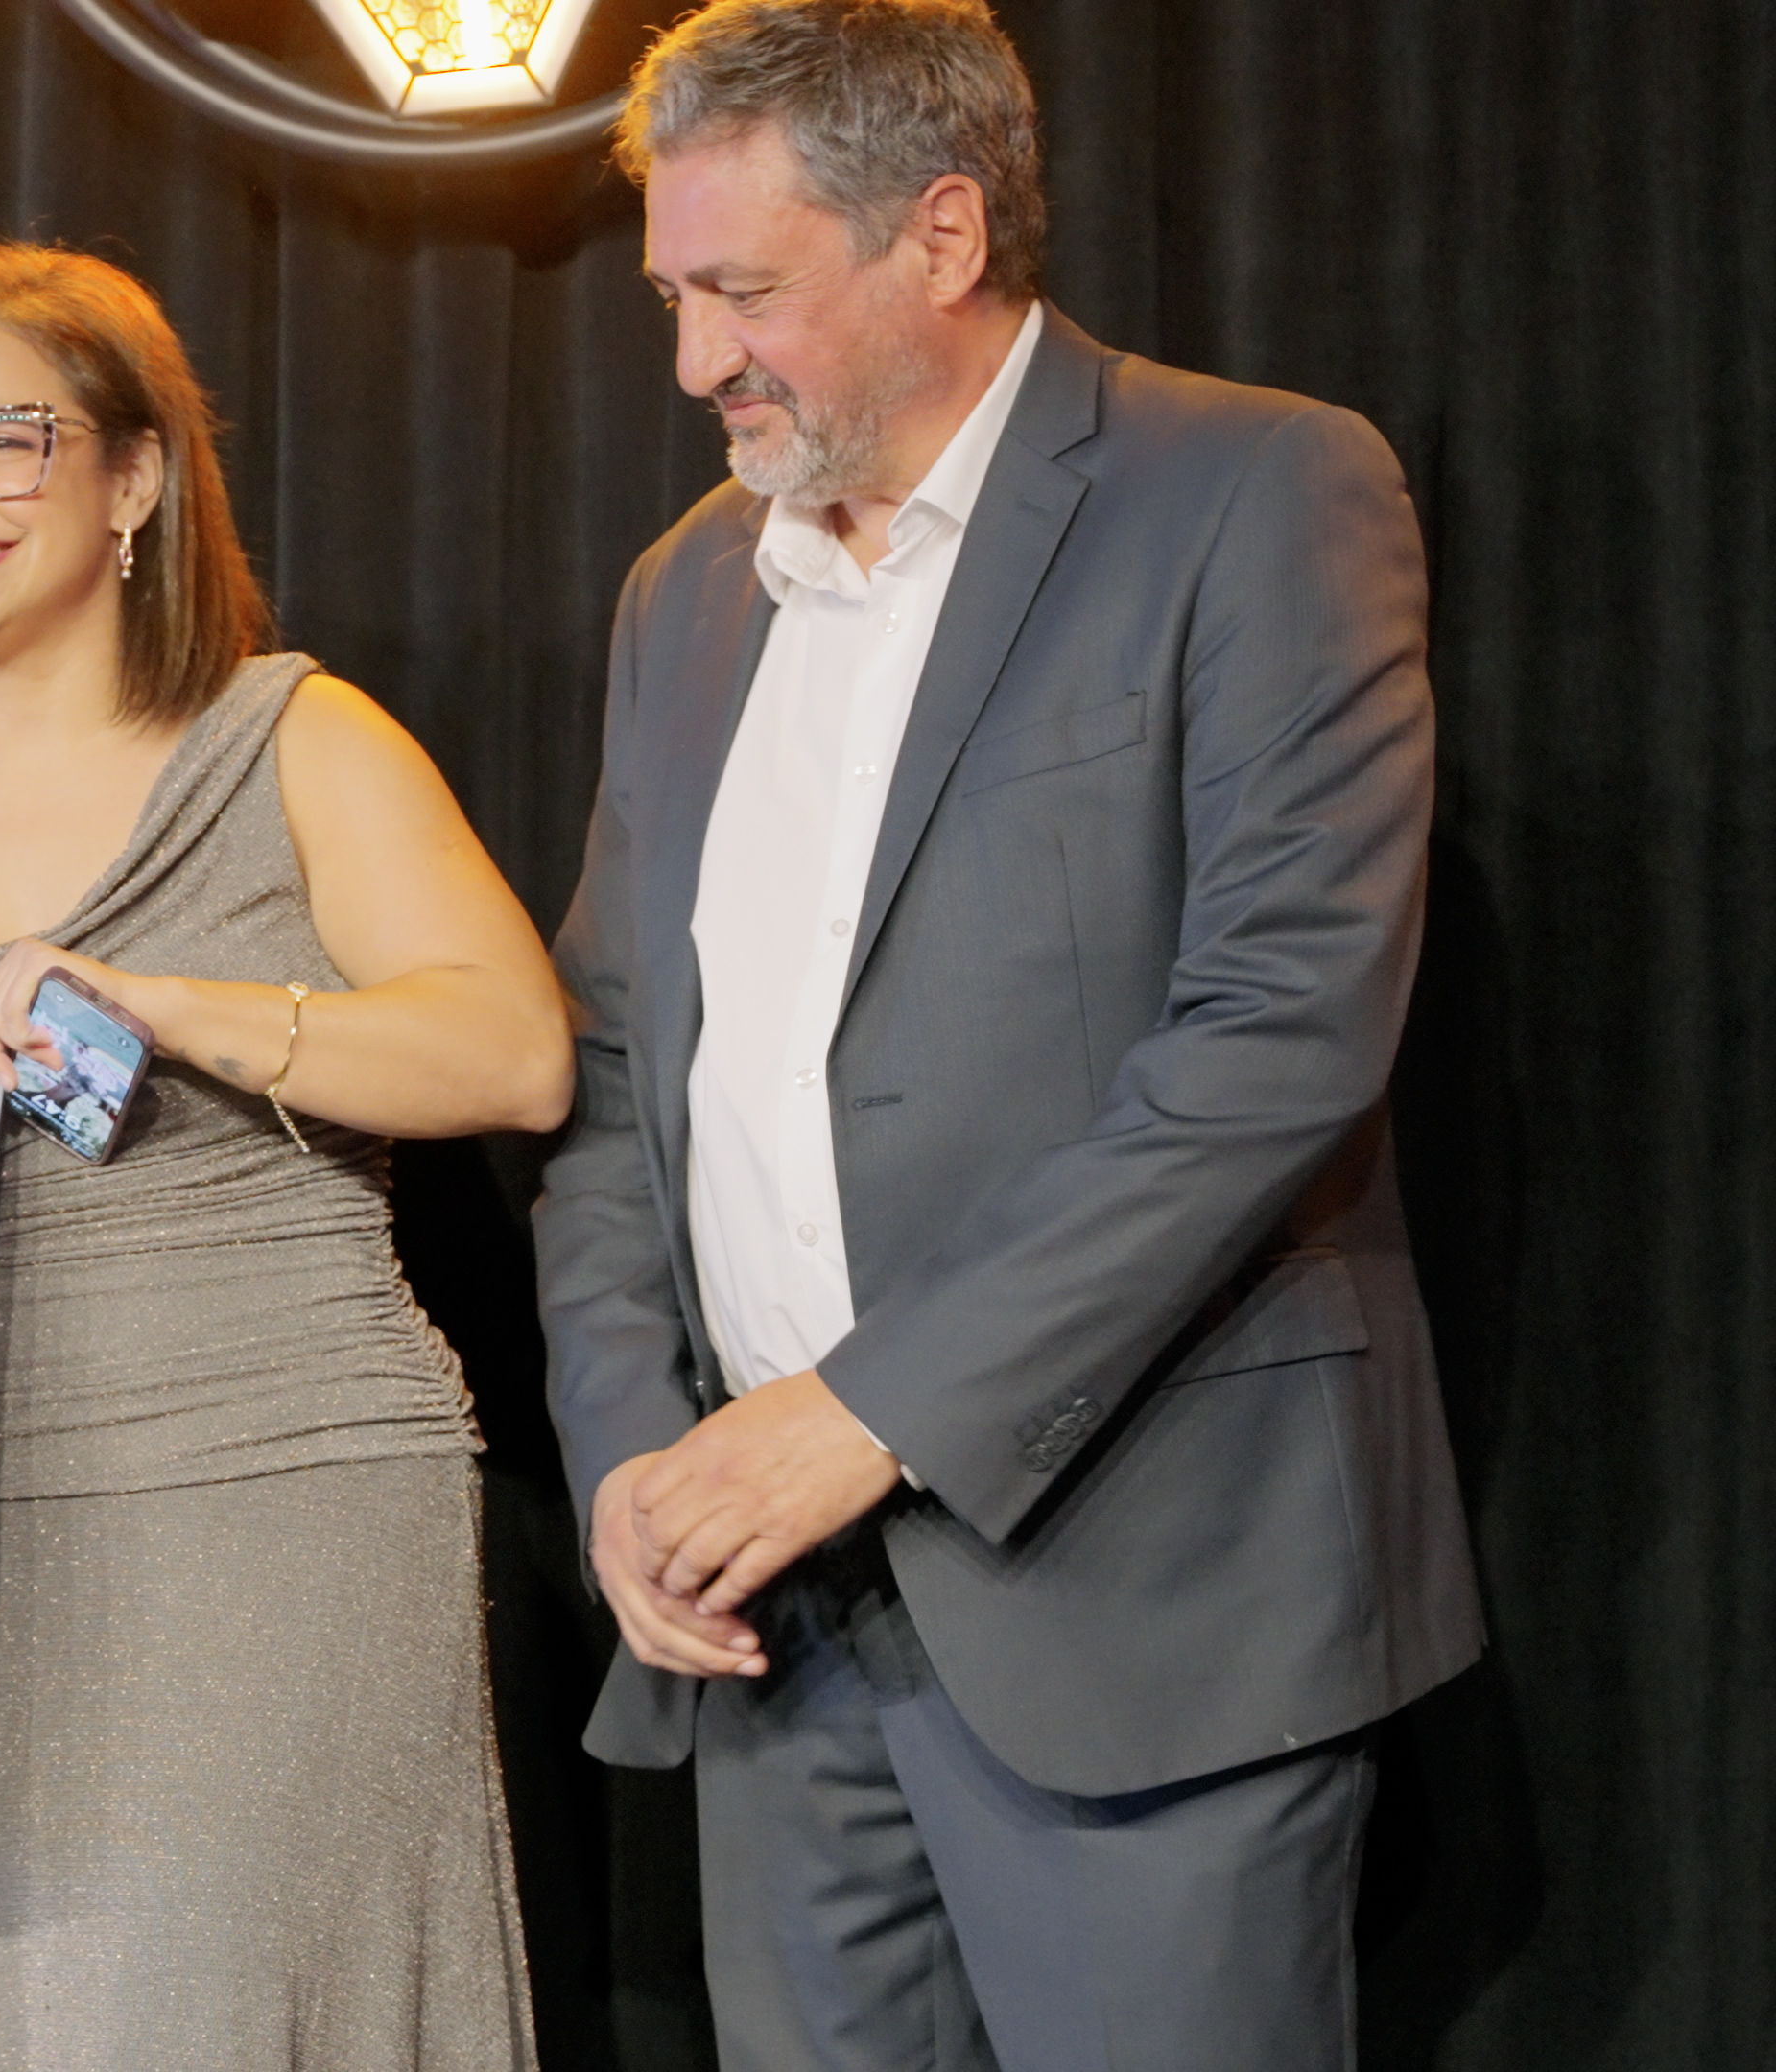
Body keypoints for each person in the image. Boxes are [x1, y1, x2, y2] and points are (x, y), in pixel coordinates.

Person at [536, 4, 1483, 2066]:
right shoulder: (684, 591)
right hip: (767, 1639)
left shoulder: (1255, 490)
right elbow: (617, 1076)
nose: (696, 359)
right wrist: (630, 1457)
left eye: (743, 290)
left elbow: (1281, 1035)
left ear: (942, 235)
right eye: (676, 296)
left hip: (1140, 1607)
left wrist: (861, 1411)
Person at [0, 241, 572, 2068]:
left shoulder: (293, 739)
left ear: (135, 477)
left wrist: (172, 1003)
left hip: (272, 1516)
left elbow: (515, 1054)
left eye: (4, 440)